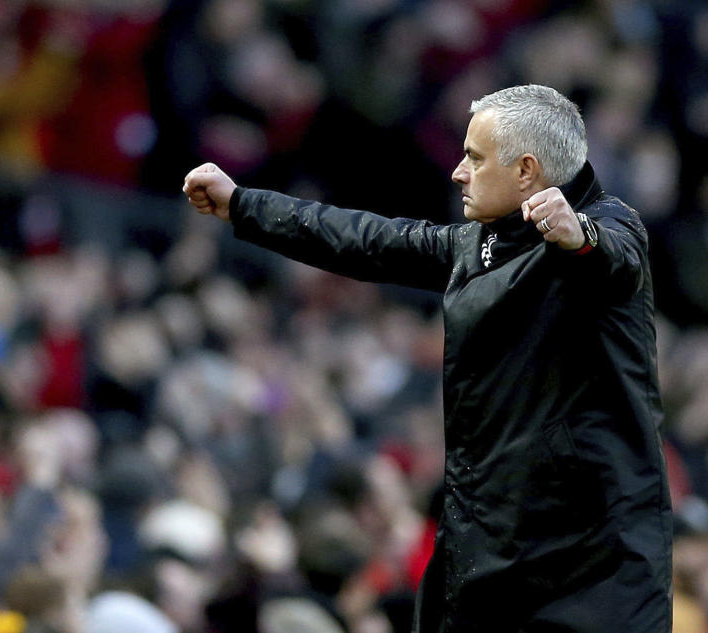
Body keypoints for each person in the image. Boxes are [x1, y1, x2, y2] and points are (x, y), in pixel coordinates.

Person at [182, 84, 672, 632]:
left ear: (526, 170)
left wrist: (577, 235)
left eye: (475, 158)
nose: (459, 172)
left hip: (592, 564)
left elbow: (616, 259)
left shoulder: (611, 224)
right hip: (492, 546)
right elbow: (365, 239)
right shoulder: (476, 246)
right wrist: (244, 205)